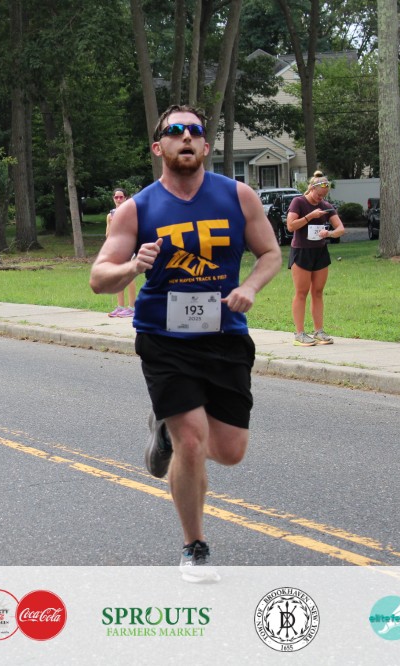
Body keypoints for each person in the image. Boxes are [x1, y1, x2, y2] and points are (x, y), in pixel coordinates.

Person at [89, 105, 281, 582]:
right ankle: (194, 546)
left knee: (230, 450)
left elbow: (271, 253)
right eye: (175, 131)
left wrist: (250, 286)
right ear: (160, 147)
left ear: (206, 146)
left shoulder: (237, 196)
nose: (186, 137)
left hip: (225, 335)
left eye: (195, 131)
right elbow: (99, 278)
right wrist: (133, 265)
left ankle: (164, 430)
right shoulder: (138, 208)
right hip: (164, 339)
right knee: (191, 441)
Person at [285, 171, 344, 346]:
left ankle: (319, 331)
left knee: (318, 292)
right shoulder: (298, 202)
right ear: (311, 189)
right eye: (318, 195)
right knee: (301, 292)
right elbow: (290, 226)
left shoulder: (326, 205)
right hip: (301, 251)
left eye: (323, 196)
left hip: (320, 252)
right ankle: (299, 333)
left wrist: (329, 233)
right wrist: (310, 216)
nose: (320, 199)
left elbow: (340, 228)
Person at [106, 188, 136, 318]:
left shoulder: (130, 212)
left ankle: (132, 307)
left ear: (126, 198)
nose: (118, 199)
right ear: (113, 198)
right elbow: (108, 235)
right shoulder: (110, 215)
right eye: (116, 197)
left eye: (121, 197)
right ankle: (120, 306)